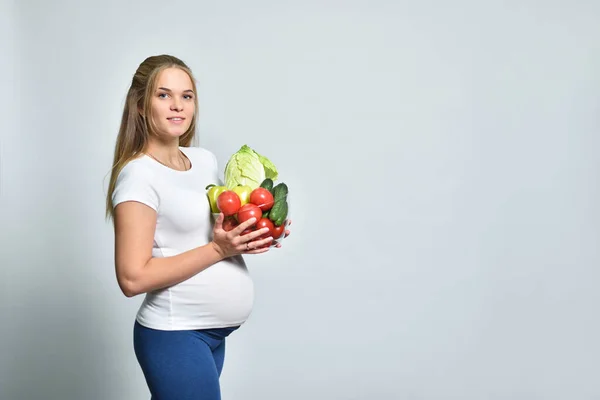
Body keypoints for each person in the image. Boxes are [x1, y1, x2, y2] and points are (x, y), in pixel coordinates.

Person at [104, 54, 290, 400]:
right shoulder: (138, 177)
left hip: (211, 333)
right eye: (163, 95)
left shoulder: (203, 161)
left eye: (186, 96)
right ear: (141, 106)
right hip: (176, 334)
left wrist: (255, 232)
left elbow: (214, 234)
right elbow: (132, 278)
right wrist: (220, 249)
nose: (177, 106)